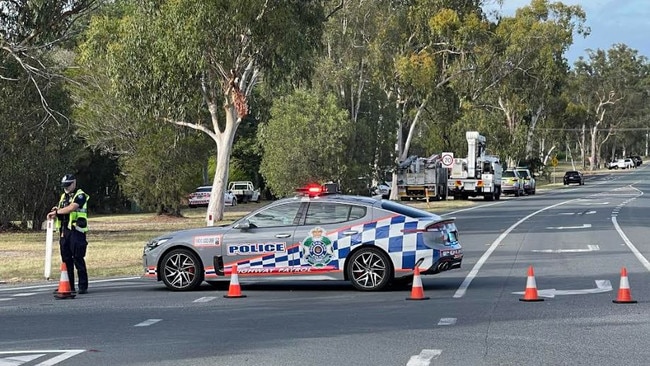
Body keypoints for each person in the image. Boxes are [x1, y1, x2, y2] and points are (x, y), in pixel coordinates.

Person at [47, 174, 90, 294]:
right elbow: (62, 209)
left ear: (74, 183)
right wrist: (56, 210)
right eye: (64, 186)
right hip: (64, 231)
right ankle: (68, 284)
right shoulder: (63, 197)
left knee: (78, 258)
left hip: (76, 231)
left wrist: (57, 212)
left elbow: (72, 208)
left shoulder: (80, 195)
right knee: (66, 259)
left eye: (68, 185)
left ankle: (83, 286)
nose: (66, 188)